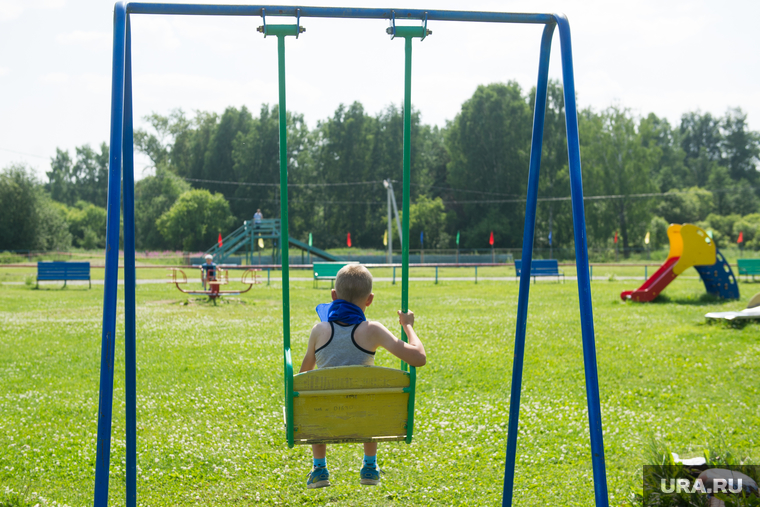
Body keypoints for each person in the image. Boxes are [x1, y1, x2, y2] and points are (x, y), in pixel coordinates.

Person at [299, 264, 426, 489]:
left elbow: (302, 378)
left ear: (333, 295)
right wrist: (407, 326)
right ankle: (369, 465)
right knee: (369, 398)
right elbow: (418, 358)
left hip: (324, 416)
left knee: (313, 396)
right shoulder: (373, 330)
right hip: (365, 418)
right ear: (370, 300)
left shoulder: (319, 330)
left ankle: (319, 467)